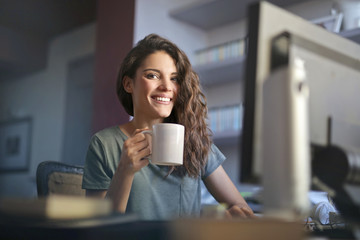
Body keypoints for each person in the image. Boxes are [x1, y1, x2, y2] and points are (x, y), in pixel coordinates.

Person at [82, 34, 255, 220]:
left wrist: (229, 218)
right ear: (128, 84)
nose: (166, 86)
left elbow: (241, 208)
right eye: (153, 75)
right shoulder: (104, 144)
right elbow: (97, 226)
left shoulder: (194, 140)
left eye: (174, 78)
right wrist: (124, 170)